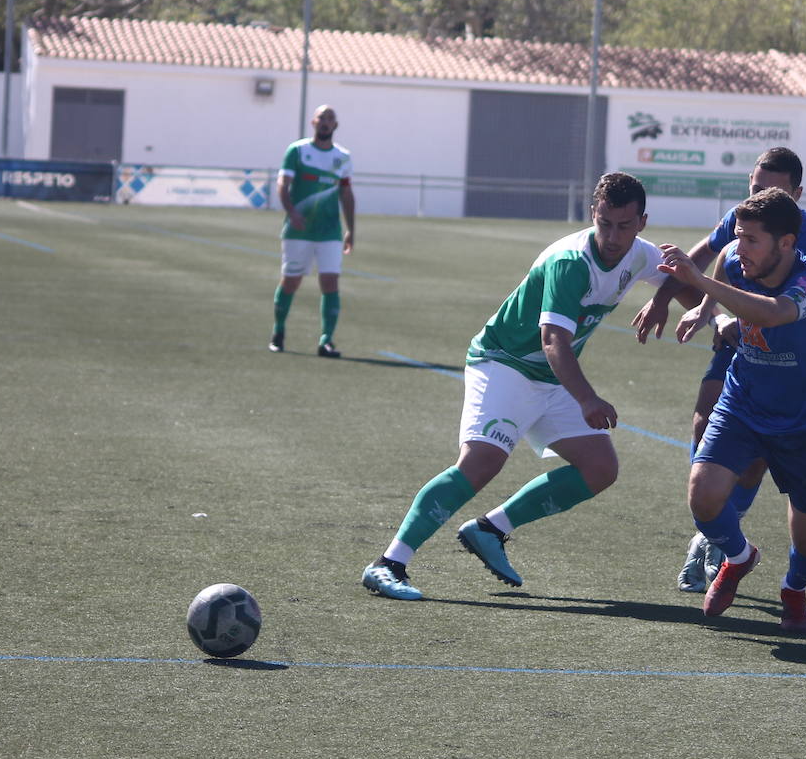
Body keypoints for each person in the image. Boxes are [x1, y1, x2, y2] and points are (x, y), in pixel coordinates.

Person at [362, 172, 681, 600]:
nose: (612, 236)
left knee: (600, 468)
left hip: (551, 375)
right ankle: (388, 563)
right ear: (593, 214)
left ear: (642, 222)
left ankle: (491, 529)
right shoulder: (572, 262)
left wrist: (697, 312)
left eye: (624, 226)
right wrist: (587, 399)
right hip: (504, 363)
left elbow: (681, 277)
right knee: (482, 461)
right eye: (604, 223)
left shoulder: (640, 253)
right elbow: (553, 340)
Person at [630, 147, 806, 593]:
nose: (759, 196)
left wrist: (713, 295)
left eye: (773, 190)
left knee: (762, 467)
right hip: (745, 343)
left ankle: (749, 550)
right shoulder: (744, 220)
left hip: (793, 351)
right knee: (705, 425)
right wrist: (687, 304)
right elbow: (714, 260)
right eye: (755, 187)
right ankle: (715, 535)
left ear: (795, 196)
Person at [270, 104, 355, 358]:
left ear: (335, 125)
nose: (325, 122)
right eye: (321, 117)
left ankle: (326, 340)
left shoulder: (343, 157)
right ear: (313, 122)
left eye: (330, 118)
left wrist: (351, 229)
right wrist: (292, 212)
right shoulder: (298, 151)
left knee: (330, 281)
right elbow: (283, 184)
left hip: (329, 230)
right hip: (299, 230)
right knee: (291, 281)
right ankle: (278, 331)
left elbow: (346, 193)